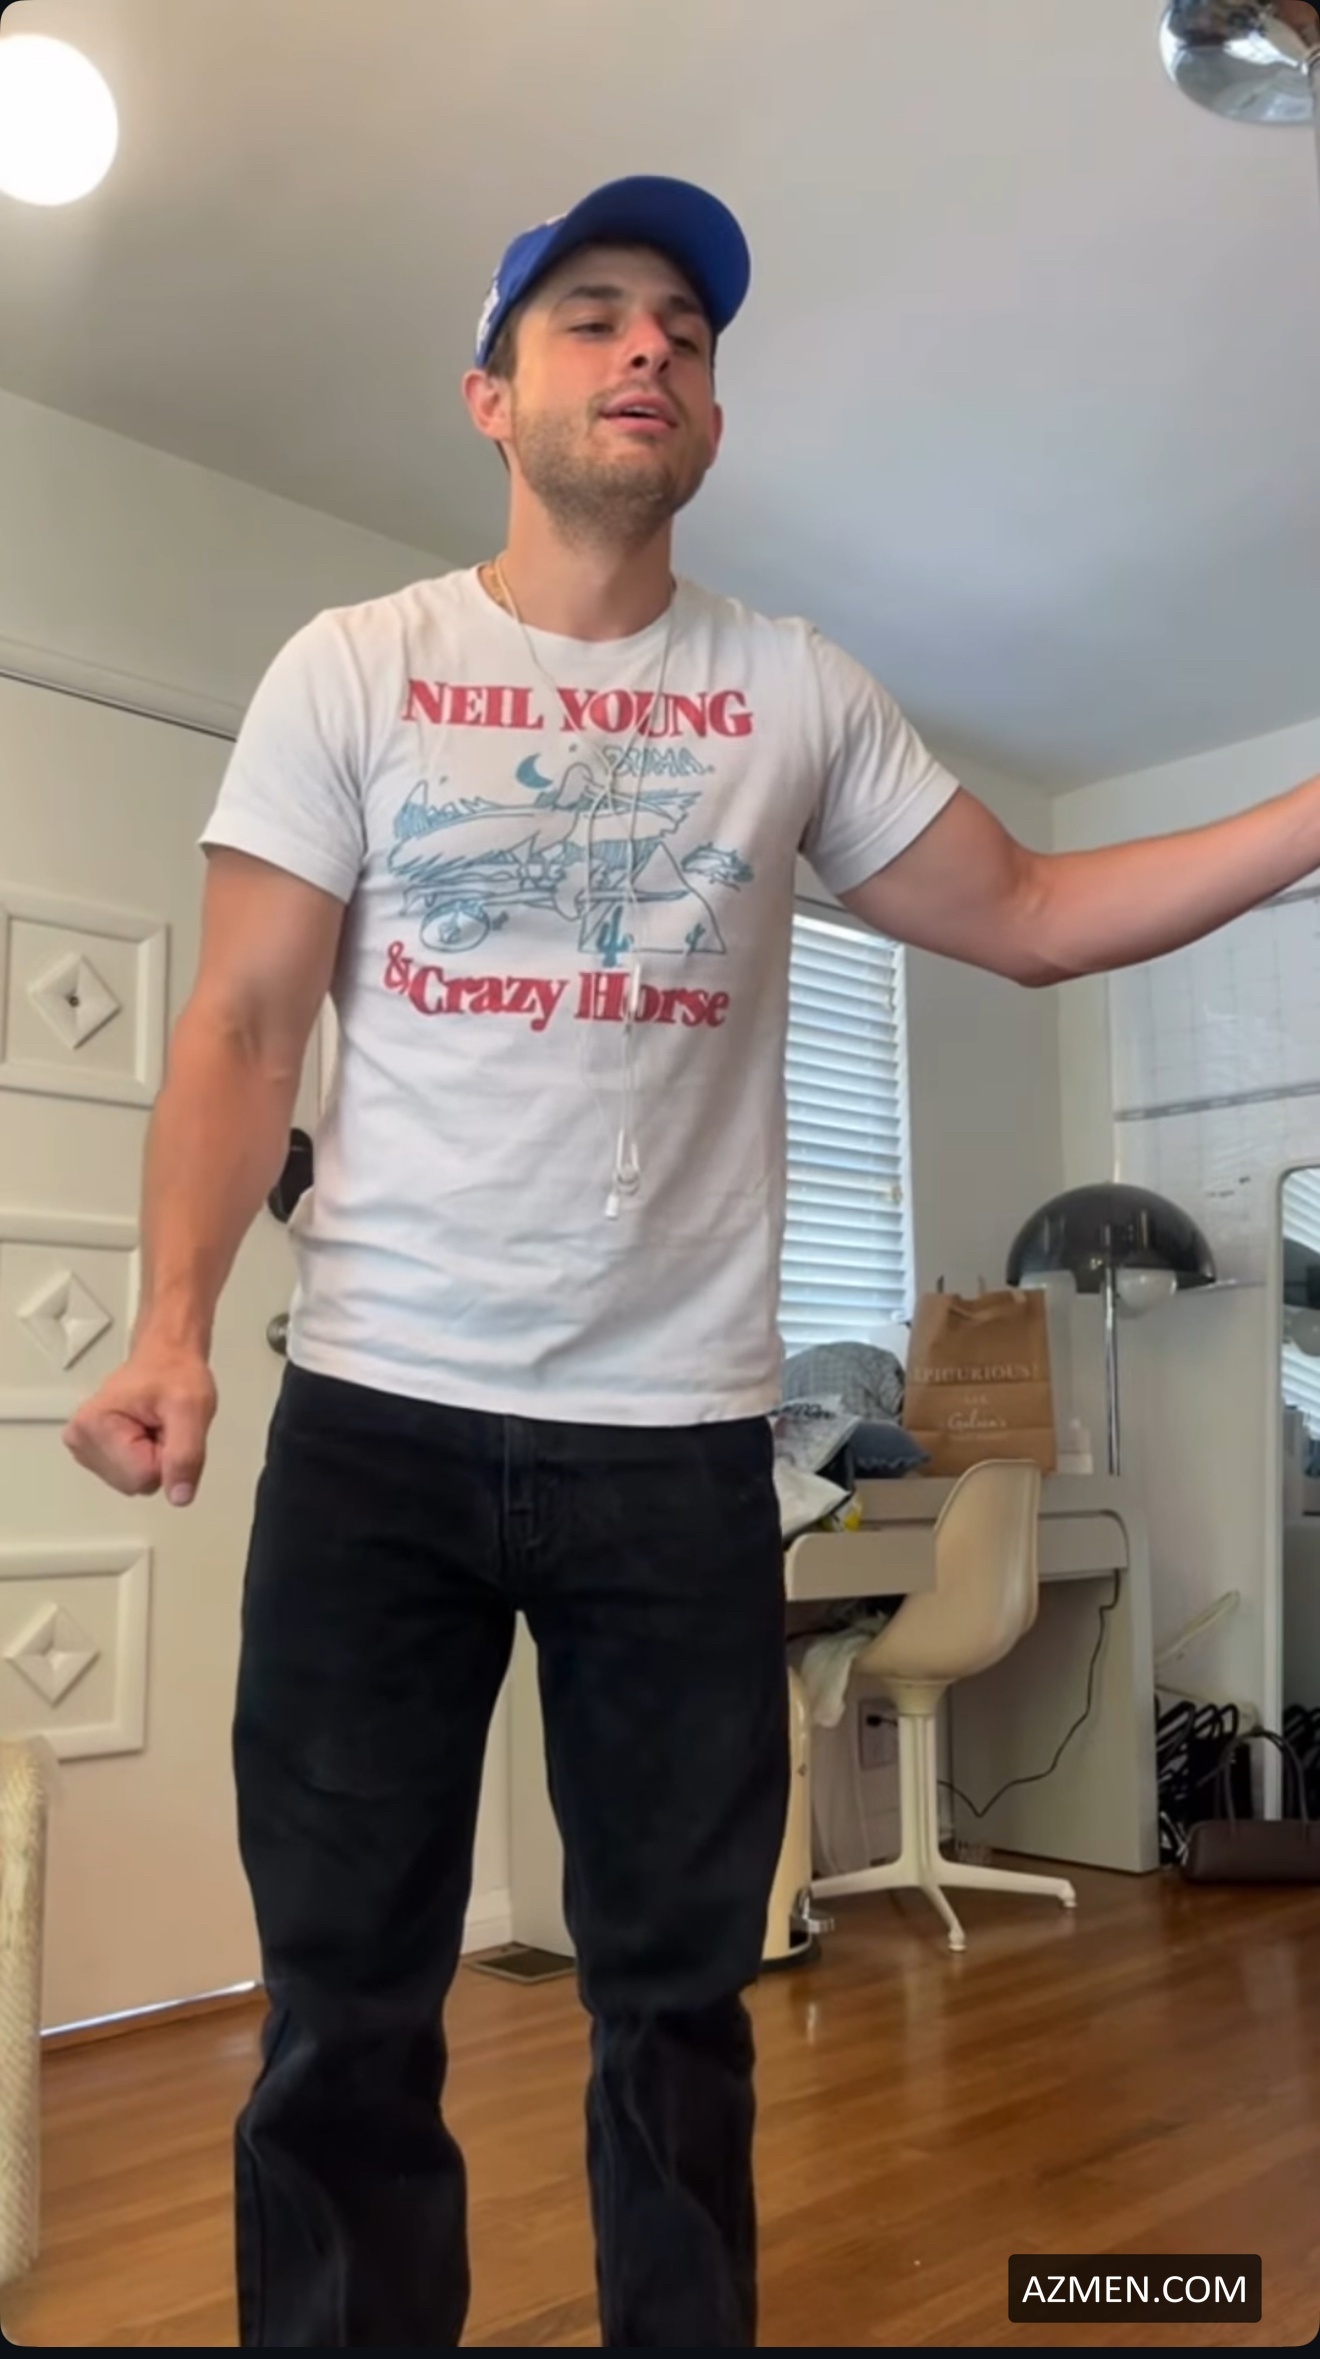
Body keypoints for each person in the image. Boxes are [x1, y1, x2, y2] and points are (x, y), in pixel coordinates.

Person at [62, 172, 1320, 2348]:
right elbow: (245, 1027)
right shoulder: (355, 668)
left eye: (687, 330)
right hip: (377, 1425)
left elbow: (1032, 915)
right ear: (492, 393)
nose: (649, 347)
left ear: (711, 419)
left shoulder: (793, 690)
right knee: (346, 2007)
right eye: (592, 315)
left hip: (672, 1453)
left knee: (679, 2001)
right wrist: (169, 1323)